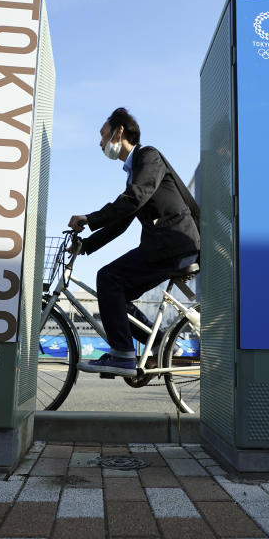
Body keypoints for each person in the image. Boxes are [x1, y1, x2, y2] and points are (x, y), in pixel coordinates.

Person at [68, 108, 199, 377]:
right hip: (165, 244)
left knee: (108, 279)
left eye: (103, 135)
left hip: (173, 242)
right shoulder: (134, 171)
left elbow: (134, 199)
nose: (100, 143)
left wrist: (89, 218)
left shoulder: (148, 156)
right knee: (116, 294)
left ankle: (123, 355)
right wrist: (86, 245)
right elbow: (121, 221)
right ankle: (161, 341)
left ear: (119, 132)